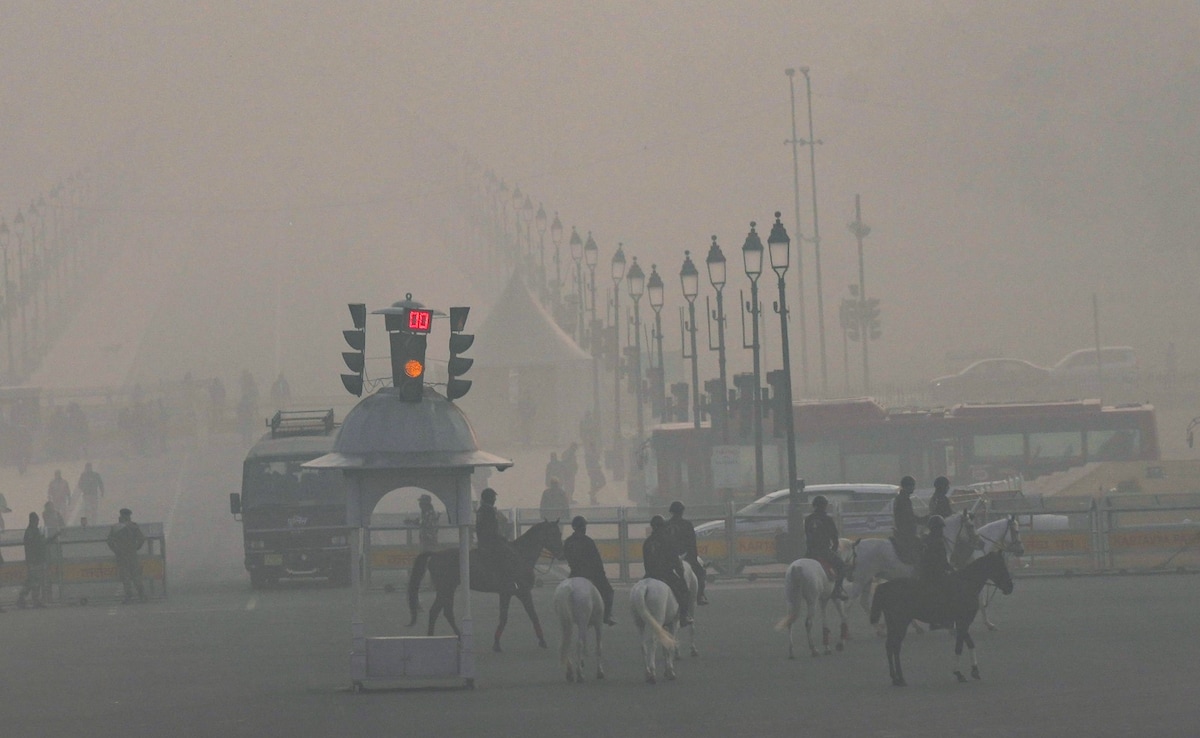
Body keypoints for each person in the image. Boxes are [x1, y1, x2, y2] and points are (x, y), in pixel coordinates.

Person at [563, 516, 617, 625]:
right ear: (583, 527)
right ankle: (607, 616)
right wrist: (602, 574)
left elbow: (564, 556)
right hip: (589, 574)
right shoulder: (588, 541)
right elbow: (597, 561)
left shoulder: (568, 542)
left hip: (574, 574)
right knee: (609, 591)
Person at [643, 515, 692, 626]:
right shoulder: (668, 540)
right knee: (684, 591)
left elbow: (646, 562)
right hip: (665, 574)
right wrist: (680, 574)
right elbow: (675, 561)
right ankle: (684, 616)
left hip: (649, 574)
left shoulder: (647, 542)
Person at [474, 488, 519, 595]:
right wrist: (501, 538)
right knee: (509, 554)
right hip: (490, 541)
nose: (495, 499)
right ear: (489, 498)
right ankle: (508, 581)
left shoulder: (481, 509)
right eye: (493, 497)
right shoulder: (489, 510)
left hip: (484, 541)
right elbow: (491, 529)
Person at [804, 495, 849, 600]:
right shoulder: (828, 519)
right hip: (824, 551)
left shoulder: (808, 519)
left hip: (810, 552)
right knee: (842, 567)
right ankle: (837, 590)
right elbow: (834, 538)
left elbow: (807, 535)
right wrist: (833, 550)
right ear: (824, 506)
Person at [665, 500, 708, 605]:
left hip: (669, 557)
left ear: (671, 512)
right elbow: (692, 544)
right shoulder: (687, 524)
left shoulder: (666, 525)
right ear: (682, 511)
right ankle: (700, 595)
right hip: (686, 556)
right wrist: (693, 559)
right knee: (701, 572)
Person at [17, 512, 56, 608]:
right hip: (35, 560)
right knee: (35, 580)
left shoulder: (30, 531)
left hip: (32, 560)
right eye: (37, 520)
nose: (38, 522)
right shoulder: (33, 532)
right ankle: (34, 600)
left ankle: (23, 599)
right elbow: (39, 544)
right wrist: (52, 538)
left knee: (31, 580)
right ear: (34, 520)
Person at [107, 508, 147, 603]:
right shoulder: (134, 526)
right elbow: (141, 538)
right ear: (129, 516)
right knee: (136, 575)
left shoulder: (115, 527)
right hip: (132, 554)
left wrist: (116, 550)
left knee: (125, 576)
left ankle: (128, 596)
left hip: (121, 554)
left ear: (121, 516)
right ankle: (142, 595)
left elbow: (109, 541)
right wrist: (136, 547)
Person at [892, 475, 921, 564]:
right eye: (912, 486)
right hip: (906, 532)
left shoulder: (904, 498)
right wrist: (922, 520)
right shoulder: (902, 499)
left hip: (906, 530)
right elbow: (908, 517)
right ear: (907, 486)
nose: (914, 488)